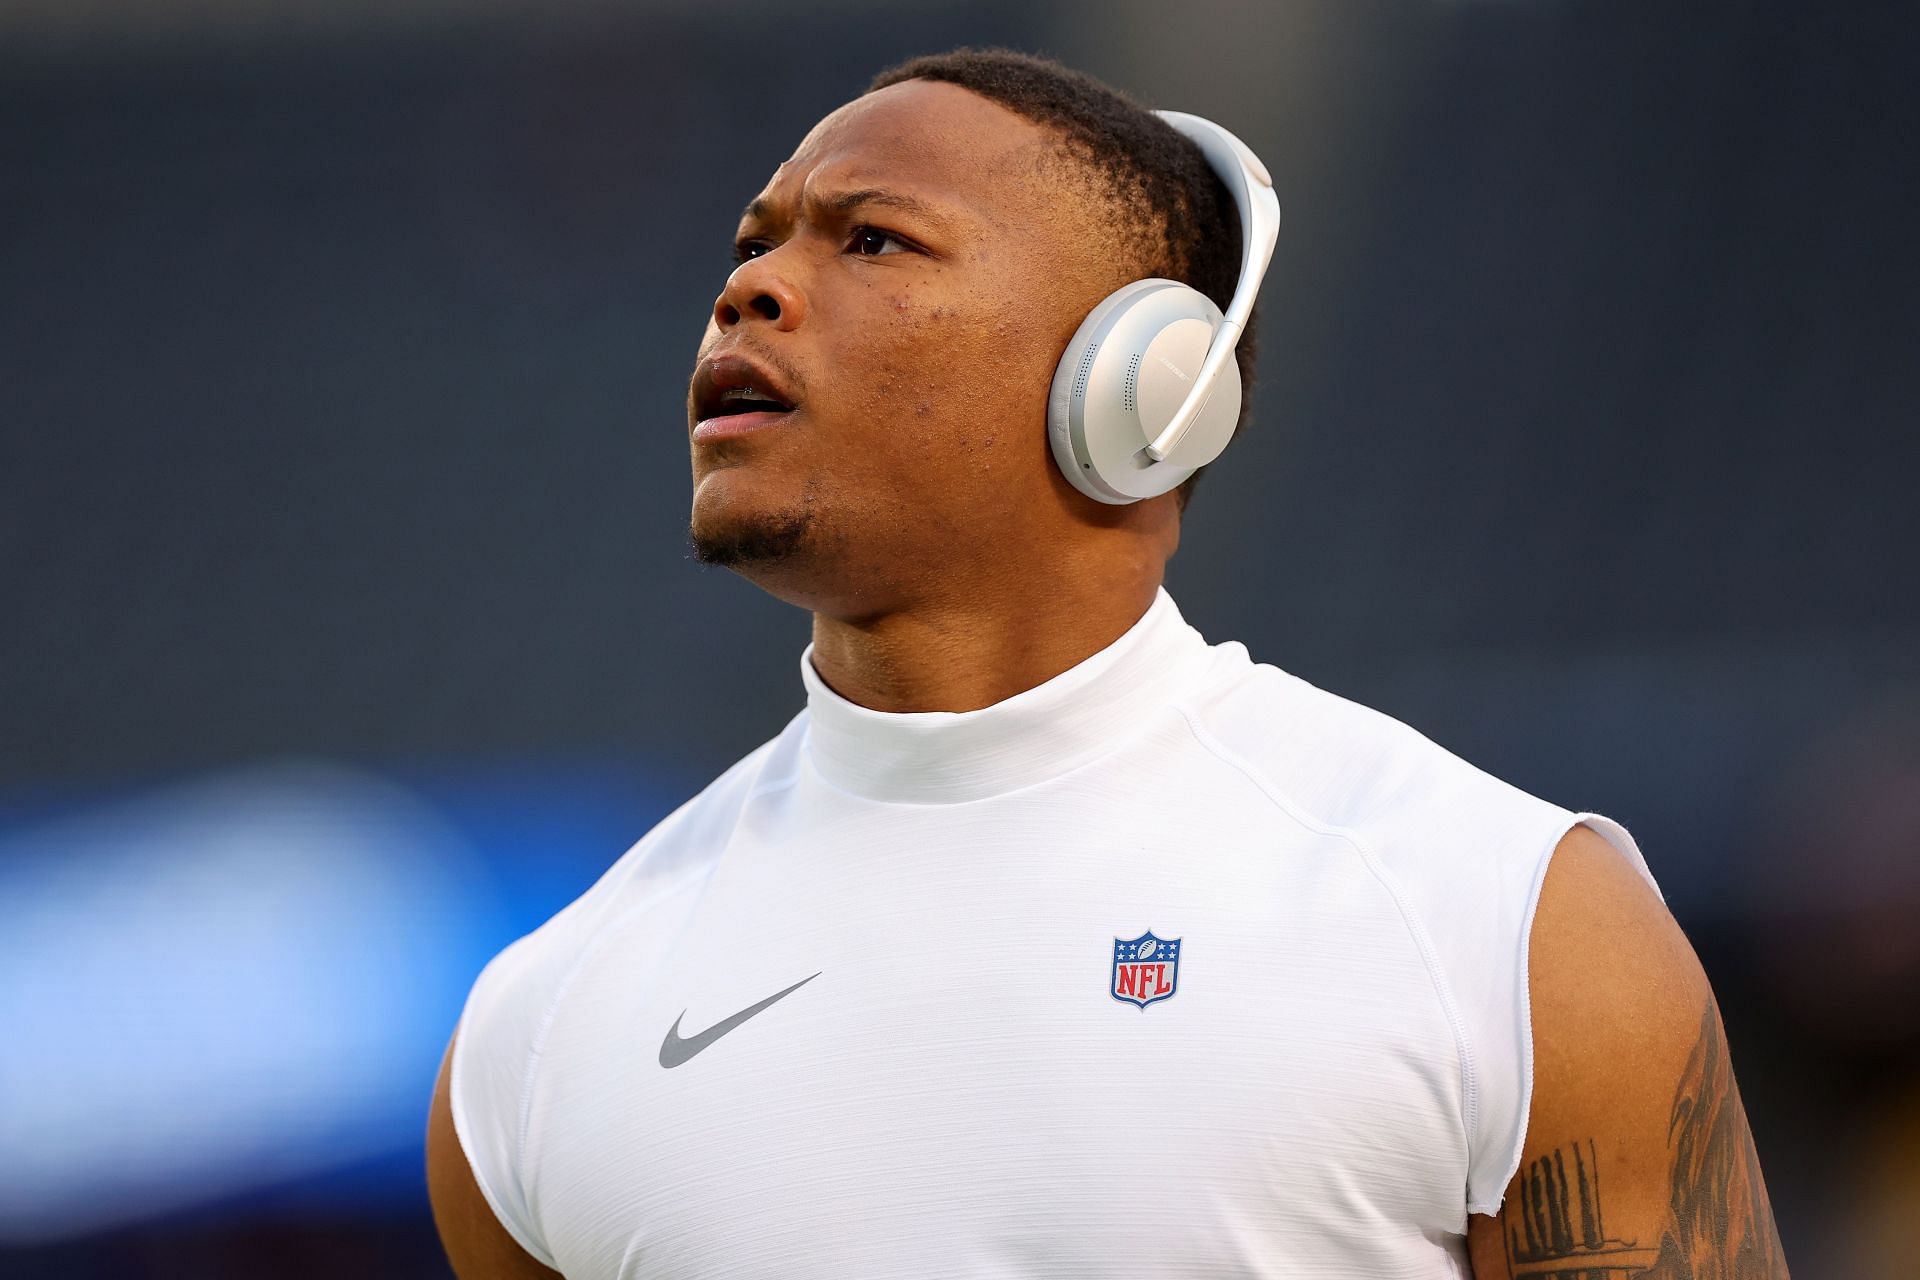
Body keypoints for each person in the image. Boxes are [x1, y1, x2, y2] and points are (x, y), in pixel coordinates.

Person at [426, 48, 1787, 1280]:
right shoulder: (539, 1031)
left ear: (1144, 381)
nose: (750, 287)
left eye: (875, 240)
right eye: (754, 243)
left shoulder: (1507, 925)